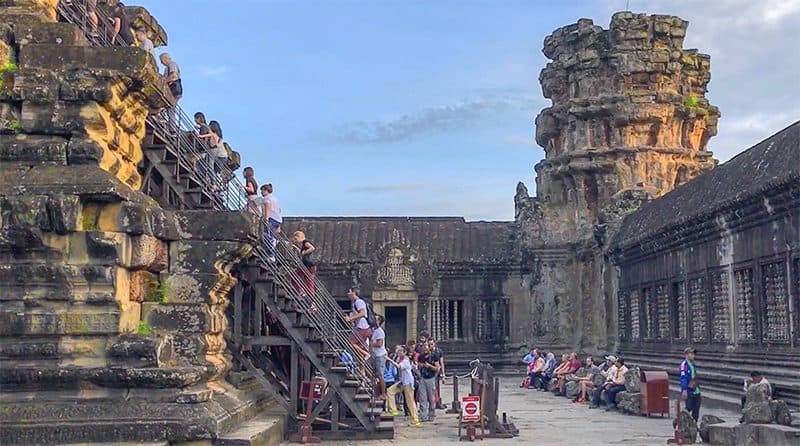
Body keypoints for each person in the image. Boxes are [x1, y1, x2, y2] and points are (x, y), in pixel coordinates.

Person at [385, 346, 421, 427]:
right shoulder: (399, 358)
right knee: (390, 391)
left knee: (410, 402)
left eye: (401, 351)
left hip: (408, 383)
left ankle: (415, 419)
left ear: (405, 352)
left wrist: (389, 360)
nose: (399, 352)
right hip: (402, 382)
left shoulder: (406, 360)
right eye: (399, 351)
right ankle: (393, 409)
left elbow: (398, 366)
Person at [416, 341, 440, 422]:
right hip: (422, 378)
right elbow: (418, 365)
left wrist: (429, 366)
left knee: (431, 398)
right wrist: (420, 366)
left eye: (427, 346)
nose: (425, 348)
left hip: (431, 378)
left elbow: (437, 368)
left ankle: (431, 414)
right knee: (422, 398)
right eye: (424, 346)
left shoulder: (434, 356)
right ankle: (423, 416)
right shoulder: (420, 356)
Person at [344, 288, 371, 358]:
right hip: (360, 326)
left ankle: (366, 353)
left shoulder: (358, 302)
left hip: (362, 327)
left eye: (349, 292)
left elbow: (362, 313)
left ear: (353, 293)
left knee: (350, 342)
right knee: (359, 348)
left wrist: (350, 318)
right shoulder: (354, 303)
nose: (348, 294)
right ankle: (362, 367)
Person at [258, 183, 282, 261]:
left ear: (266, 190)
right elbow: (279, 210)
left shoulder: (266, 198)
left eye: (262, 191)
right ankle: (273, 242)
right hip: (278, 219)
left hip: (271, 218)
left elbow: (267, 208)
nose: (261, 193)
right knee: (269, 235)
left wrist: (266, 218)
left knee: (265, 235)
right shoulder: (274, 198)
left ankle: (271, 255)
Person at [679, 347, 701, 421]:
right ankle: (680, 420)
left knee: (696, 408)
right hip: (689, 390)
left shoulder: (693, 364)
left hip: (696, 389)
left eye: (693, 354)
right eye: (691, 354)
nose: (693, 355)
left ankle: (694, 423)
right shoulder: (684, 365)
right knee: (689, 407)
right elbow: (683, 377)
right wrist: (684, 389)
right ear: (686, 355)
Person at [370, 315, 388, 400]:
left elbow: (379, 344)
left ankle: (383, 393)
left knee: (380, 375)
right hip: (374, 355)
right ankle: (375, 393)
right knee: (373, 374)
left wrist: (370, 344)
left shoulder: (380, 332)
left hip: (380, 355)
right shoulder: (374, 330)